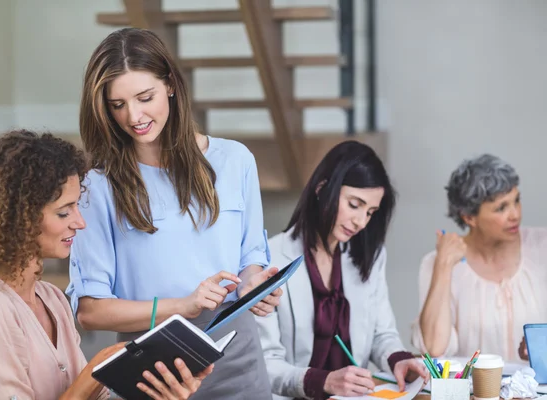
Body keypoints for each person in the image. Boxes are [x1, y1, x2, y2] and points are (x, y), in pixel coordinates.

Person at [65, 28, 281, 399]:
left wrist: (254, 286)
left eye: (144, 97)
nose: (133, 116)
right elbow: (91, 312)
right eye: (117, 104)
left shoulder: (235, 161)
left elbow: (250, 260)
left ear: (170, 85)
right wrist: (183, 306)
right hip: (153, 370)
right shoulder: (96, 187)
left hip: (239, 357)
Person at [0, 130, 212, 400]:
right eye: (64, 212)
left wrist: (159, 393)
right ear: (19, 218)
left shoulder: (51, 299)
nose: (80, 222)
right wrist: (94, 372)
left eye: (77, 207)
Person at [255, 141, 429, 400]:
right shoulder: (268, 260)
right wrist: (324, 381)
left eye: (370, 212)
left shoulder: (370, 255)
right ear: (322, 188)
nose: (361, 222)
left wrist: (399, 359)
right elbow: (265, 363)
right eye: (354, 204)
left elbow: (383, 333)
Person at [412, 154, 547, 362]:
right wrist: (444, 265)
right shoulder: (438, 262)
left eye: (516, 201)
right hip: (475, 393)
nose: (515, 215)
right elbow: (434, 349)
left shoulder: (542, 246)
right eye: (501, 208)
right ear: (469, 217)